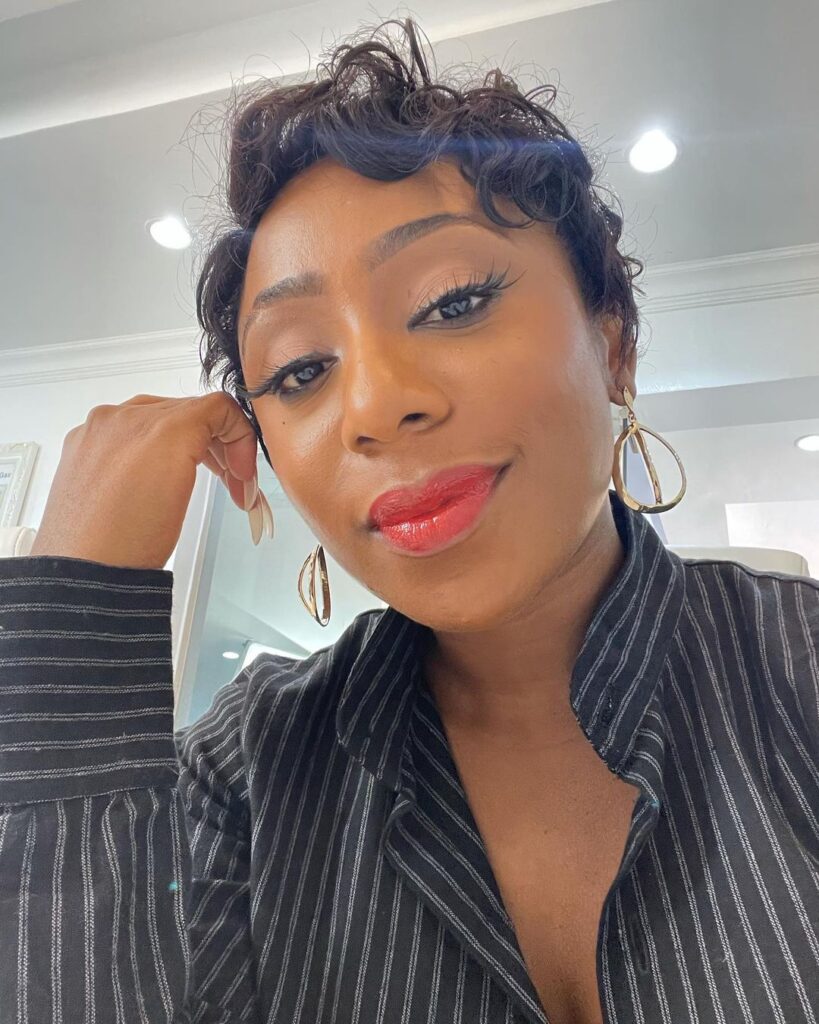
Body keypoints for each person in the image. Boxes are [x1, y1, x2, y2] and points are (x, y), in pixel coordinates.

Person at [1, 16, 817, 1024]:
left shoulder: (797, 666)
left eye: (453, 301)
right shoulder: (244, 773)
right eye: (301, 369)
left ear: (614, 345)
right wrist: (70, 614)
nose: (376, 405)